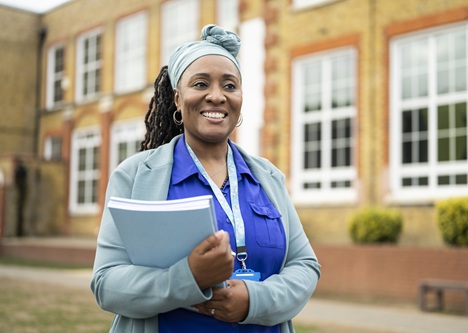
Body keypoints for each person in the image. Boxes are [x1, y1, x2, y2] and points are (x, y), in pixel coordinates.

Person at [91, 24, 320, 333]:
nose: (216, 96)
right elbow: (107, 283)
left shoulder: (267, 177)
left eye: (229, 85)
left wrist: (254, 300)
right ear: (177, 98)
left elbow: (304, 266)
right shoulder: (134, 177)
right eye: (200, 84)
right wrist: (188, 278)